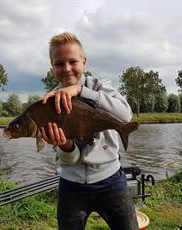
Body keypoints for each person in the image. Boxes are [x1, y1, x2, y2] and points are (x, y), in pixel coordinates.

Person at [41, 32, 139, 230]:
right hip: (71, 185)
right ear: (52, 67)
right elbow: (71, 159)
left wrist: (81, 91)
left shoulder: (100, 86)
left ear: (84, 62)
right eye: (59, 64)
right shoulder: (49, 103)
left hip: (112, 180)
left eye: (73, 61)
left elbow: (125, 115)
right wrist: (64, 145)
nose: (67, 68)